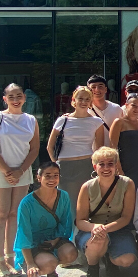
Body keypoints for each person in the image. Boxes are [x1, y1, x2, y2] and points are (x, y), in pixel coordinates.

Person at [0, 83, 40, 277]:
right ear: (4, 99)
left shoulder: (30, 120)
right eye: (11, 96)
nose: (16, 99)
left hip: (22, 171)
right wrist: (7, 170)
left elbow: (34, 149)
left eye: (19, 95)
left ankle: (11, 258)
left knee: (14, 214)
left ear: (24, 98)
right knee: (0, 215)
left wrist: (20, 170)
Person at [75, 147, 137, 277]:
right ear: (95, 166)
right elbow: (80, 220)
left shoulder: (127, 184)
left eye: (110, 163)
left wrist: (105, 228)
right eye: (101, 164)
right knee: (99, 239)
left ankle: (110, 259)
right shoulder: (87, 187)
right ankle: (93, 269)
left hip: (118, 228)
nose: (106, 168)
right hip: (91, 231)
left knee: (127, 260)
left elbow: (126, 217)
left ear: (116, 165)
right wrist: (95, 228)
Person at [14, 162, 78, 277]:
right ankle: (39, 268)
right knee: (49, 263)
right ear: (39, 178)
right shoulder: (27, 203)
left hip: (54, 239)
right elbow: (23, 234)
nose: (52, 179)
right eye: (47, 176)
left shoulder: (63, 196)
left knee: (70, 254)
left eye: (56, 175)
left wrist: (56, 240)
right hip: (33, 244)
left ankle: (50, 266)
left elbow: (65, 222)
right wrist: (30, 263)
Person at [47, 86, 104, 221]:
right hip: (65, 167)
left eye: (87, 99)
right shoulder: (63, 120)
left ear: (91, 102)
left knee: (85, 203)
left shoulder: (96, 122)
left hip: (86, 166)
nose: (83, 102)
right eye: (80, 98)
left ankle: (83, 236)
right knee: (67, 205)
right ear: (74, 100)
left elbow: (99, 149)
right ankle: (68, 238)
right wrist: (56, 165)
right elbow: (50, 146)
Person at [109, 92, 138, 189]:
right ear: (126, 105)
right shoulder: (119, 122)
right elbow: (113, 148)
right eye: (134, 106)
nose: (137, 109)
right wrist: (118, 168)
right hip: (126, 164)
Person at [87, 74, 124, 148]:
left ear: (105, 89)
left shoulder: (116, 108)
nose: (97, 90)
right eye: (93, 87)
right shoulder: (86, 110)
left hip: (112, 153)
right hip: (92, 153)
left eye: (100, 86)